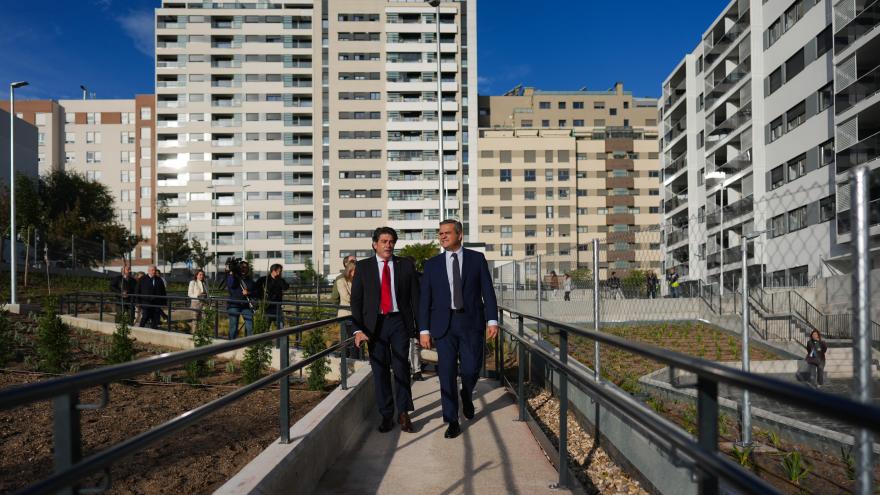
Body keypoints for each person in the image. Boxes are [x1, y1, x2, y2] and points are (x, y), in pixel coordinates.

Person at [419, 219, 499, 439]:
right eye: (440, 233)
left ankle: (466, 394)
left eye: (447, 233)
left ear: (460, 235)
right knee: (446, 373)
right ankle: (452, 420)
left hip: (471, 323)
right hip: (443, 326)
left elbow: (488, 292)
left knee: (471, 368)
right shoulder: (432, 264)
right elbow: (425, 298)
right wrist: (423, 329)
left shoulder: (477, 259)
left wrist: (492, 321)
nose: (443, 236)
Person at [351, 227, 421, 434]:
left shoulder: (405, 265)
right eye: (384, 241)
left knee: (401, 367)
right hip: (375, 326)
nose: (388, 245)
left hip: (399, 322)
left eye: (391, 241)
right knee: (380, 371)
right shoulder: (363, 267)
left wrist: (421, 328)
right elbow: (356, 301)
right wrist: (357, 330)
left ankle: (404, 413)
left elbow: (415, 299)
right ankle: (386, 415)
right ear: (375, 244)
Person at [256, 263, 290, 330]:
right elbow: (256, 290)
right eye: (279, 271)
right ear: (273, 271)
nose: (280, 273)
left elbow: (285, 287)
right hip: (267, 307)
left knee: (280, 326)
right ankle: (266, 340)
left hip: (278, 307)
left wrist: (278, 279)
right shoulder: (263, 280)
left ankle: (280, 340)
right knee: (265, 326)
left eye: (280, 271)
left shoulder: (280, 280)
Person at [227, 260, 256, 339]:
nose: (243, 269)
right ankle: (230, 345)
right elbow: (231, 285)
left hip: (245, 305)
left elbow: (254, 291)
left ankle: (250, 344)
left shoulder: (249, 280)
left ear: (248, 269)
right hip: (234, 305)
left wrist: (248, 292)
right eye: (241, 267)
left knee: (250, 325)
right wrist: (232, 273)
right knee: (233, 326)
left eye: (245, 267)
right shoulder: (232, 277)